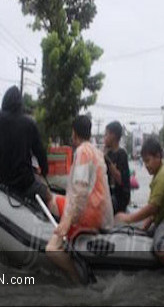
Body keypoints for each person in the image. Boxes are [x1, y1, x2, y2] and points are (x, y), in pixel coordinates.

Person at [46, 115, 114, 283]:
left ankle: (76, 279)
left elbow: (80, 190)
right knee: (59, 199)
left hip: (87, 215)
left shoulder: (82, 151)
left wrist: (66, 222)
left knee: (51, 248)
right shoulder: (96, 152)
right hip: (98, 213)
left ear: (74, 133)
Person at [115, 137, 164, 274]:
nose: (146, 165)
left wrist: (129, 218)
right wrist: (145, 224)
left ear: (158, 156)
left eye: (148, 161)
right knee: (139, 232)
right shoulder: (159, 175)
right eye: (144, 162)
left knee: (159, 246)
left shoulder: (163, 176)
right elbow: (155, 208)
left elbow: (153, 207)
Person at [0, 86, 51, 206]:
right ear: (20, 104)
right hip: (24, 182)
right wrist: (44, 171)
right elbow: (39, 151)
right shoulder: (29, 124)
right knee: (49, 196)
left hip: (2, 181)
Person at [103, 121, 131, 214]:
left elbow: (120, 179)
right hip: (109, 195)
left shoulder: (122, 154)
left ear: (113, 136)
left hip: (119, 198)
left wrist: (107, 160)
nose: (104, 138)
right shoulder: (108, 153)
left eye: (106, 134)